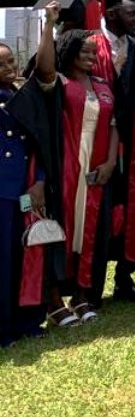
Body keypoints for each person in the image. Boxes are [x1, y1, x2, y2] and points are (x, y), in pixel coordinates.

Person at [32, 1, 118, 324]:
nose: (91, 57)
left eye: (94, 52)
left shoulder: (104, 86)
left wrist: (110, 163)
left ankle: (82, 297)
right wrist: (49, 24)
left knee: (90, 234)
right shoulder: (58, 83)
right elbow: (43, 66)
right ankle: (54, 302)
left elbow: (114, 126)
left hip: (97, 170)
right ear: (69, 52)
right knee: (60, 232)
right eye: (85, 51)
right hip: (66, 168)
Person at [90, 0, 135, 304]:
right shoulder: (91, 43)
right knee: (99, 208)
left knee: (129, 208)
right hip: (95, 140)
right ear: (112, 13)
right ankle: (90, 282)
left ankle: (124, 278)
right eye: (131, 13)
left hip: (129, 140)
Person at [0, 42, 49, 343]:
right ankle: (4, 327)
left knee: (26, 254)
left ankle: (26, 320)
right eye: (1, 64)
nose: (9, 68)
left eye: (11, 61)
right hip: (3, 191)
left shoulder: (20, 94)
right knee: (4, 259)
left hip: (26, 188)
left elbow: (37, 143)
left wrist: (40, 181)